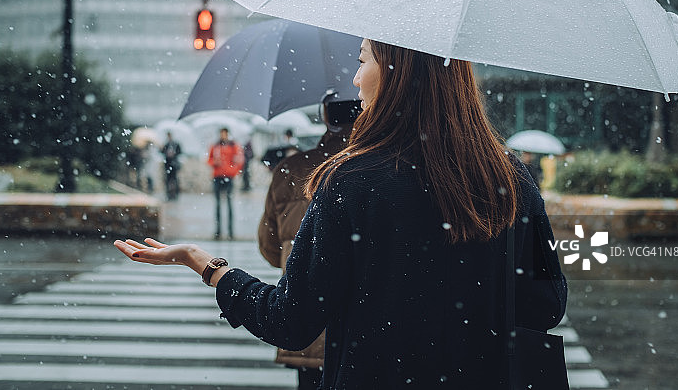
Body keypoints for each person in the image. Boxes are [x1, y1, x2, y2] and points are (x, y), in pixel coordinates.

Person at [115, 39, 567, 388]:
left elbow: (290, 321)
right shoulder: (508, 175)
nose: (355, 78)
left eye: (363, 60)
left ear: (397, 74)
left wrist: (206, 265)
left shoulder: (353, 181)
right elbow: (547, 304)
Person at [258, 95, 360, 390]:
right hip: (359, 323)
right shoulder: (377, 168)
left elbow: (269, 247)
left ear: (326, 116)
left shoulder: (290, 169)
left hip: (304, 317)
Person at [207, 128, 245, 240]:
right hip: (218, 176)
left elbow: (239, 160)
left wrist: (232, 171)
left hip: (229, 177)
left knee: (229, 204)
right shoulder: (215, 146)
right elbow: (209, 159)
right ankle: (218, 231)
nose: (223, 136)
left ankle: (230, 232)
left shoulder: (233, 146)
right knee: (218, 205)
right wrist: (215, 162)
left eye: (225, 134)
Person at [161, 131, 182, 200]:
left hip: (174, 164)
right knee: (168, 180)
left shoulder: (176, 144)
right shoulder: (166, 144)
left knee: (175, 179)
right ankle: (168, 194)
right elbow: (161, 152)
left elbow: (180, 152)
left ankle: (176, 194)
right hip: (167, 164)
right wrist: (165, 151)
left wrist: (174, 153)